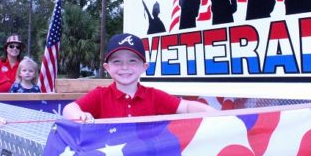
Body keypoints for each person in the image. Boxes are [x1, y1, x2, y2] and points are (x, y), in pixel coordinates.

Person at [63, 33, 216, 121]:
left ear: (144, 67)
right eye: (117, 61)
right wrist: (79, 116)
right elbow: (69, 108)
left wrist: (218, 116)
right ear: (107, 68)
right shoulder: (100, 95)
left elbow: (186, 107)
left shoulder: (154, 96)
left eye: (132, 61)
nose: (125, 67)